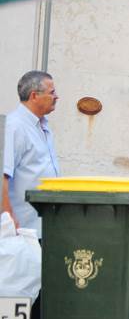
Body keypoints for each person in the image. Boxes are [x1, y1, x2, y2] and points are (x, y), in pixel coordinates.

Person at [2, 70, 60, 319]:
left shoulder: (43, 127)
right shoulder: (15, 126)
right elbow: (3, 176)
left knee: (40, 294)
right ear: (35, 95)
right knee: (19, 295)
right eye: (52, 92)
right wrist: (8, 217)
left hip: (43, 227)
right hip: (23, 230)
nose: (57, 97)